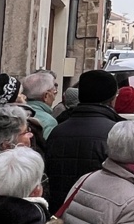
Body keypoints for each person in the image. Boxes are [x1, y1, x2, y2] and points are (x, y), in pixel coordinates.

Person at [44, 70, 121, 214]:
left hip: (59, 212)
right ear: (111, 99)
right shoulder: (116, 133)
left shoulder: (57, 131)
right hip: (98, 214)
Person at [22, 70, 60, 137]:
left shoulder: (14, 113)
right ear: (46, 96)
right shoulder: (49, 122)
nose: (54, 98)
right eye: (54, 93)